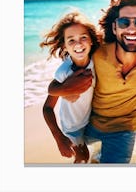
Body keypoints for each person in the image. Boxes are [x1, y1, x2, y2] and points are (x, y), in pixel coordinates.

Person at [48, 0, 136, 163]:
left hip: (124, 128)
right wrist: (65, 88)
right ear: (114, 27)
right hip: (88, 124)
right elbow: (55, 87)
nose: (131, 29)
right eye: (124, 22)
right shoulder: (96, 52)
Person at [40, 10, 100, 163]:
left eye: (83, 37)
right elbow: (47, 108)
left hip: (92, 119)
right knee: (82, 158)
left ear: (92, 40)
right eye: (71, 40)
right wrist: (59, 138)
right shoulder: (64, 72)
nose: (78, 44)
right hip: (73, 127)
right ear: (64, 46)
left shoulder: (98, 61)